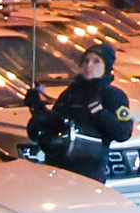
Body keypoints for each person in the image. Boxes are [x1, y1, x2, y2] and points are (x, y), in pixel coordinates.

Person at [28, 43, 133, 177]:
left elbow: (123, 133)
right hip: (60, 166)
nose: (89, 66)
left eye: (96, 62)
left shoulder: (112, 95)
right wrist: (37, 107)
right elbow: (54, 125)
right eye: (86, 60)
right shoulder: (72, 92)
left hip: (90, 170)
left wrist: (100, 114)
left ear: (107, 67)